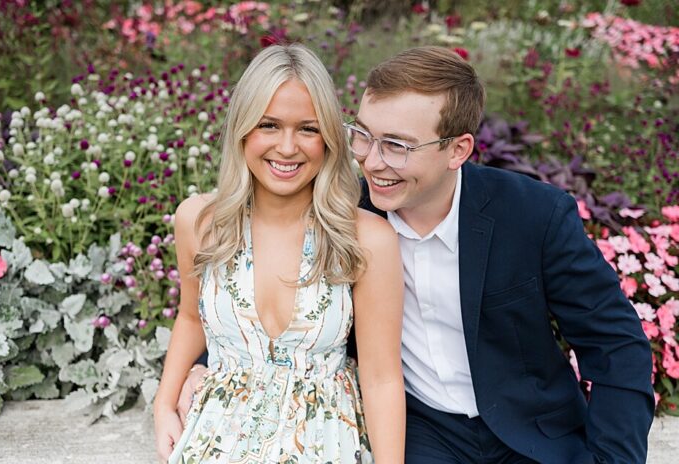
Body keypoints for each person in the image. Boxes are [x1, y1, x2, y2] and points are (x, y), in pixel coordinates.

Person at [183, 46, 655, 463]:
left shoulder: (532, 215)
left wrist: (612, 458)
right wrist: (204, 363)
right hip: (425, 433)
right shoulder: (347, 218)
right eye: (363, 135)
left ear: (458, 150)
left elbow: (615, 345)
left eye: (396, 145)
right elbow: (266, 280)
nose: (370, 161)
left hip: (533, 431)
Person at [154, 43, 406, 463]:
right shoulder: (200, 221)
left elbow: (381, 379)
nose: (288, 148)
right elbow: (190, 317)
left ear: (328, 137)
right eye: (269, 125)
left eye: (307, 129)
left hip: (324, 442)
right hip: (216, 438)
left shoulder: (364, 238)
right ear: (242, 129)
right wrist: (163, 405)